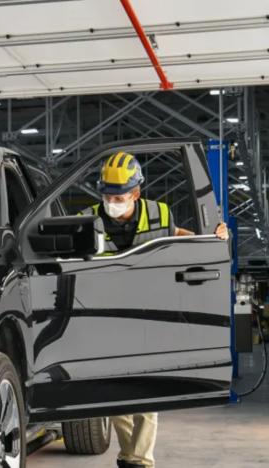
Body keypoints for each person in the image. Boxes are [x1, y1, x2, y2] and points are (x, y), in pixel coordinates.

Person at [80, 151, 229, 468]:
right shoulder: (87, 218)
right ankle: (129, 455)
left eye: (118, 195)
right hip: (104, 318)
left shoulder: (160, 214)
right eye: (106, 194)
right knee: (114, 395)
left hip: (148, 316)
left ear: (135, 192)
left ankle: (141, 460)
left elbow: (180, 239)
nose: (111, 200)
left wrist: (215, 239)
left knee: (147, 393)